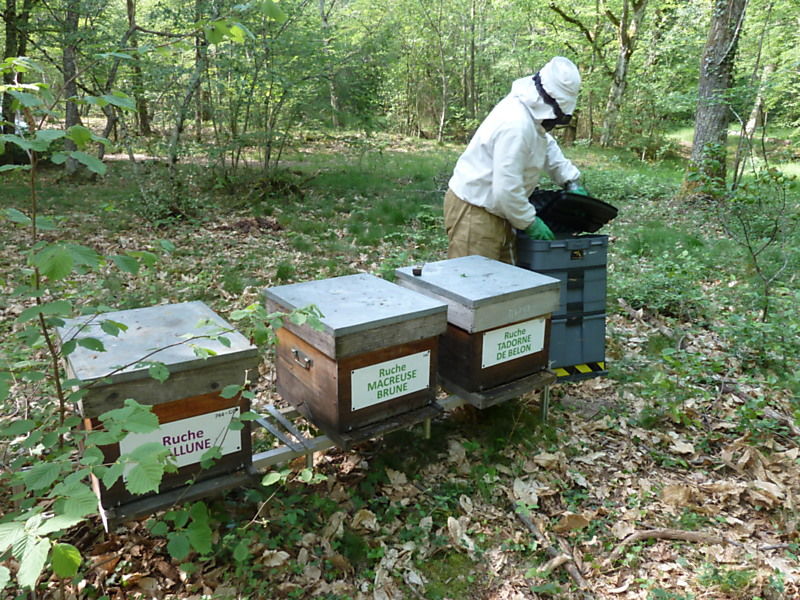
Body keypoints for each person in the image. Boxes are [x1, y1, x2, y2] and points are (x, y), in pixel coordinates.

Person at [444, 56, 587, 264]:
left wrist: (569, 179)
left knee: (506, 287)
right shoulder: (516, 125)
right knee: (471, 286)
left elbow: (544, 143)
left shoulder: (530, 115)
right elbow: (506, 188)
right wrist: (530, 222)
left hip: (501, 212)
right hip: (474, 211)